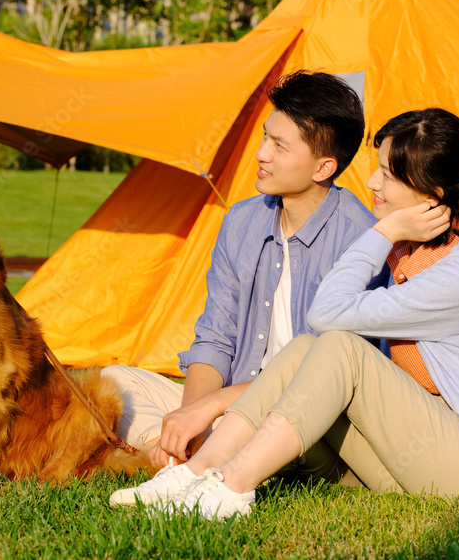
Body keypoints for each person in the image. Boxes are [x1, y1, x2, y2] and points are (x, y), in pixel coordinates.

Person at [113, 108, 459, 519]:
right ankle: (192, 473)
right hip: (417, 457)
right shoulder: (413, 255)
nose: (372, 182)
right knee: (306, 348)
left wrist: (384, 229)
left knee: (338, 345)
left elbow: (327, 311)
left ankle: (231, 487)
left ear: (432, 198)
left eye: (388, 176)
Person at [106, 70, 388, 496]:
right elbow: (215, 338)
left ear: (323, 167)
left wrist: (209, 413)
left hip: (299, 416)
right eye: (264, 138)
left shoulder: (359, 241)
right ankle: (182, 455)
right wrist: (193, 416)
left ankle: (190, 461)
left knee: (276, 418)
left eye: (279, 146)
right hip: (228, 404)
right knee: (116, 380)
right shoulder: (241, 220)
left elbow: (320, 378)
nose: (261, 154)